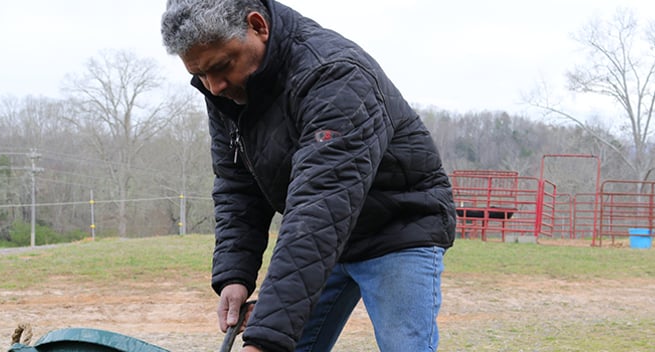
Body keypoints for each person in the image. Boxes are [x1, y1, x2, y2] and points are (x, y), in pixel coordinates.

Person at [161, 1, 456, 351]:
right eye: (199, 74)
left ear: (258, 26)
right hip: (323, 241)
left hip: (397, 227)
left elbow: (320, 206)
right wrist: (234, 275)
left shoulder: (335, 74)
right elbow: (237, 182)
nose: (213, 87)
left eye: (221, 66)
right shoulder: (227, 89)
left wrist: (266, 340)